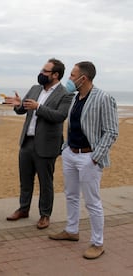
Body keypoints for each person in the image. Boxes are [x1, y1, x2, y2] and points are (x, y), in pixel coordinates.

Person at [49, 61, 118, 259]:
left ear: (83, 78)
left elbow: (112, 132)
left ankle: (98, 243)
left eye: (72, 75)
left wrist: (96, 158)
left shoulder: (103, 98)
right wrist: (66, 148)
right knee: (70, 195)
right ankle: (72, 230)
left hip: (89, 156)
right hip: (71, 153)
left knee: (92, 202)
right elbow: (72, 125)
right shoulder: (74, 97)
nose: (69, 79)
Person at [4, 58, 74, 229]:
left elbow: (60, 116)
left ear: (55, 75)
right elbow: (23, 110)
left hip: (47, 145)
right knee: (25, 179)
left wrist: (39, 107)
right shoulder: (35, 89)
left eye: (45, 71)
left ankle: (45, 215)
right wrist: (18, 104)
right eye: (42, 70)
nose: (41, 74)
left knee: (46, 182)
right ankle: (23, 209)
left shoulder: (65, 94)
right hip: (27, 142)